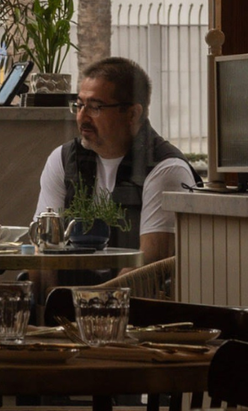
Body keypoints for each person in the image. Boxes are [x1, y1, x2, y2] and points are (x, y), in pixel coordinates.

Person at [36, 56, 195, 265]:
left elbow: (148, 268)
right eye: (79, 105)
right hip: (70, 293)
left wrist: (88, 297)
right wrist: (48, 297)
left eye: (95, 107)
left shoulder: (166, 170)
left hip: (128, 296)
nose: (82, 117)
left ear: (132, 113)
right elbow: (43, 249)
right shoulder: (64, 159)